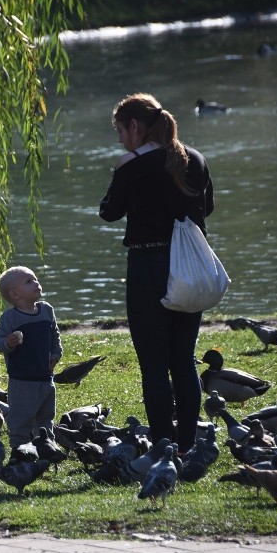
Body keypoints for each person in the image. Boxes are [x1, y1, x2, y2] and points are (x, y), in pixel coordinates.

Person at [98, 92, 214, 453]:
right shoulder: (194, 159)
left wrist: (119, 170)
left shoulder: (131, 166)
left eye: (120, 130)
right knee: (183, 358)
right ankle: (188, 443)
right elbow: (206, 207)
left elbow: (109, 212)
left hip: (148, 267)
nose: (120, 139)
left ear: (135, 127)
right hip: (189, 267)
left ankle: (163, 444)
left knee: (153, 363)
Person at [0, 266, 63, 460]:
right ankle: (19, 450)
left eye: (35, 279)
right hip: (22, 380)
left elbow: (54, 335)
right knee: (21, 417)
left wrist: (56, 354)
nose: (36, 283)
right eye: (29, 281)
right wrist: (8, 343)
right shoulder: (10, 318)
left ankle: (46, 446)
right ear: (15, 294)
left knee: (46, 415)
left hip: (45, 377)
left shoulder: (46, 310)